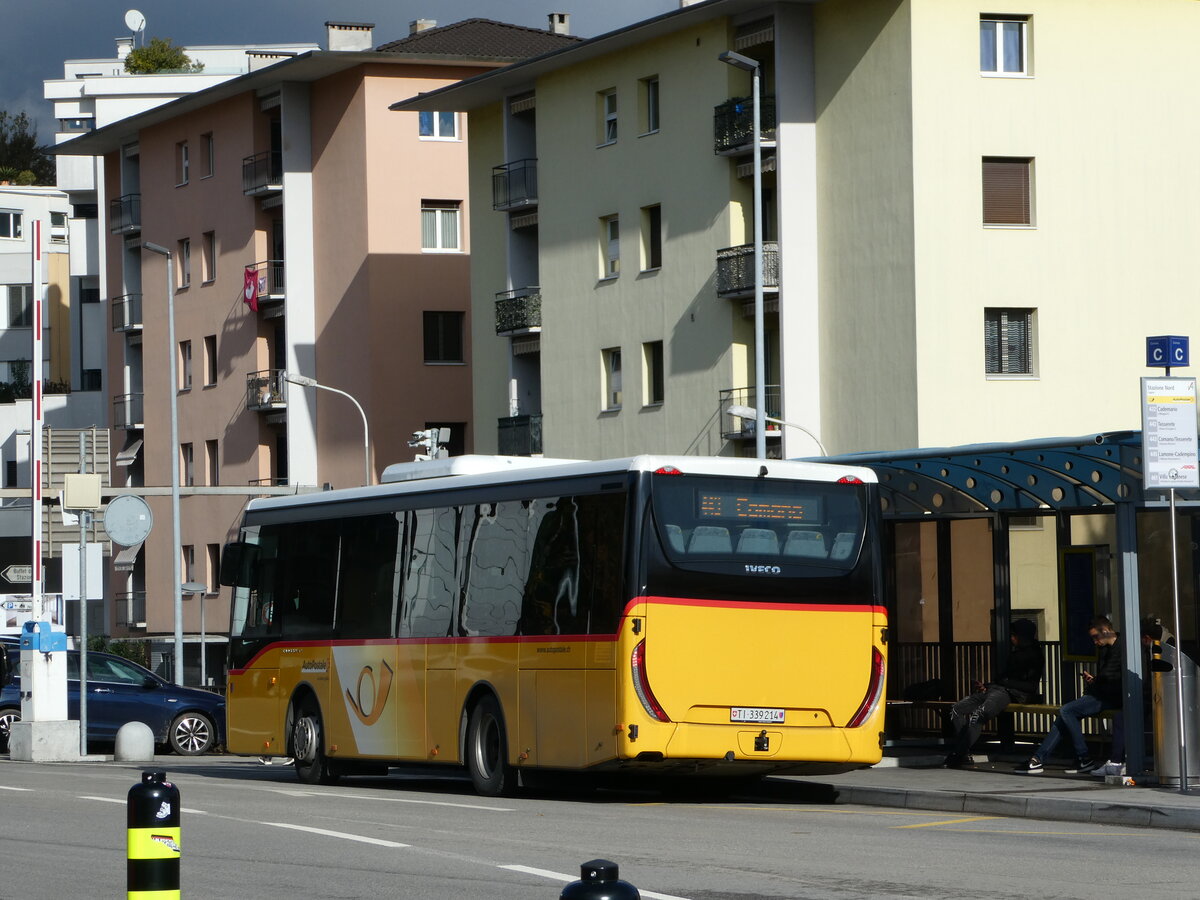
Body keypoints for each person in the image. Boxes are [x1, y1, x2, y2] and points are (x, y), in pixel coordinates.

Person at [1014, 615, 1122, 775]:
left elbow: (1109, 677)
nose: (1094, 641)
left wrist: (1096, 682)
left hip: (1111, 697)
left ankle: (1084, 758)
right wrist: (1094, 681)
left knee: (1066, 711)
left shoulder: (1120, 648)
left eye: (1095, 637)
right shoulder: (1105, 648)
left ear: (1105, 631)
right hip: (1102, 694)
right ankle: (1038, 759)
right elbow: (1105, 677)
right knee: (1064, 716)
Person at [943, 618, 1043, 768]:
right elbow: (1002, 678)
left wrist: (1004, 683)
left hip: (1013, 693)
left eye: (1014, 635)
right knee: (956, 709)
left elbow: (1030, 686)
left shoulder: (1035, 655)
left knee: (979, 714)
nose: (1012, 638)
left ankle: (958, 753)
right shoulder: (1015, 654)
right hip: (998, 689)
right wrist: (987, 686)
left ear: (1023, 636)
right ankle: (963, 751)